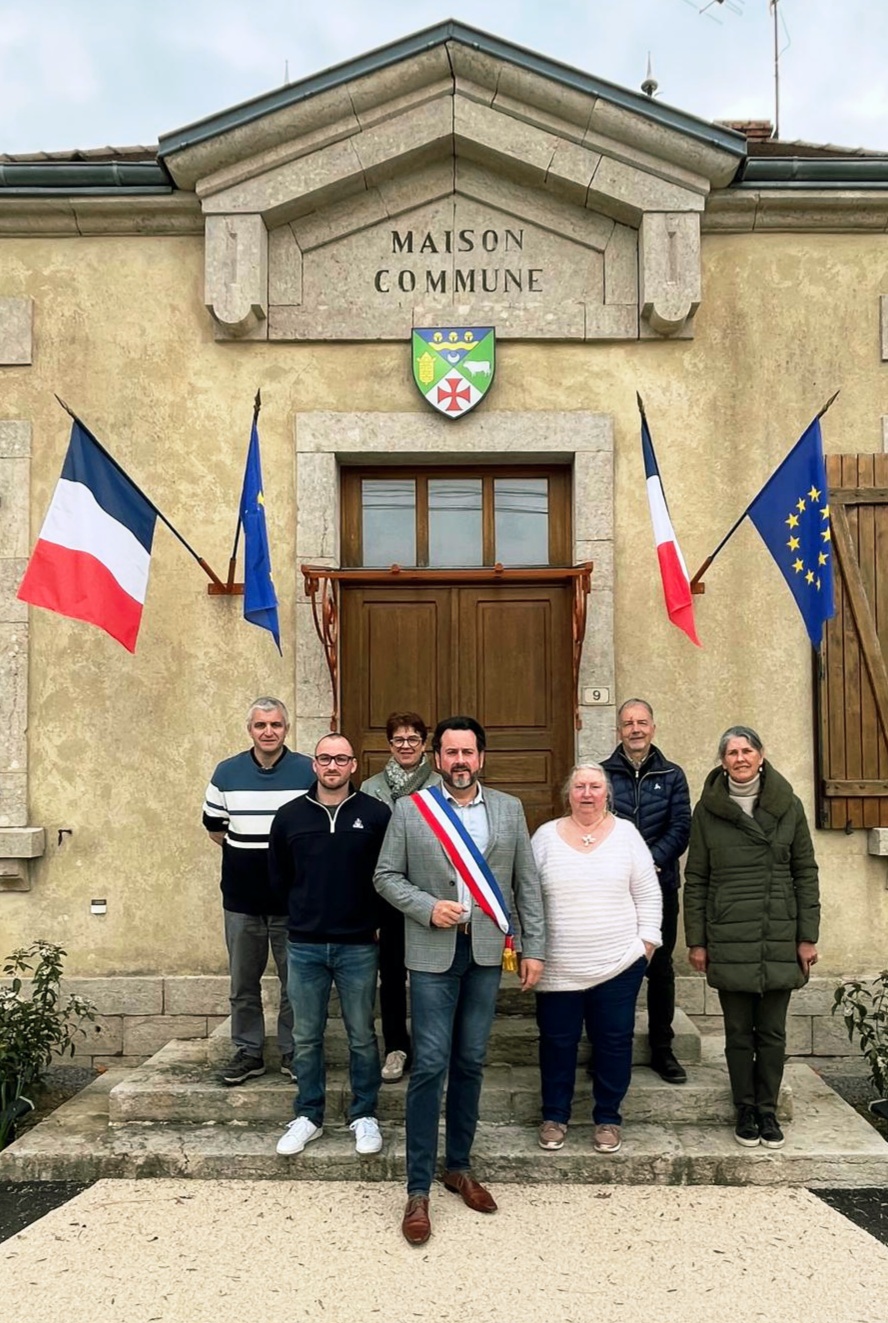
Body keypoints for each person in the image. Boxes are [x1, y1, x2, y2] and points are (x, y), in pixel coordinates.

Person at [374, 715, 545, 1246]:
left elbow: (526, 884)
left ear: (481, 758)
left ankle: (460, 1167)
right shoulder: (410, 810)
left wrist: (533, 948)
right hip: (432, 955)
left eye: (468, 753)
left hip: (489, 953)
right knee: (429, 1064)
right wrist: (428, 908)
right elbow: (384, 876)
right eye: (450, 753)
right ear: (438, 758)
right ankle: (418, 1188)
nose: (460, 762)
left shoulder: (510, 810)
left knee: (471, 1060)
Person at [683, 725, 821, 1150]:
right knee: (739, 1031)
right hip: (729, 933)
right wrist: (697, 941)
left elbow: (805, 873)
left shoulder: (788, 805)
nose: (740, 758)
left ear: (761, 755)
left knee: (773, 1032)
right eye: (732, 752)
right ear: (722, 761)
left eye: (747, 750)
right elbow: (697, 879)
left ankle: (768, 1109)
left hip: (779, 931)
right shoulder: (707, 811)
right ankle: (745, 1108)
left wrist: (807, 937)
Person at [268, 733, 391, 1158]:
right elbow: (279, 878)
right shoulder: (289, 817)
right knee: (306, 1036)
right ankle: (308, 1115)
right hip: (304, 945)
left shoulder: (376, 815)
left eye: (341, 759)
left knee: (361, 1034)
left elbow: (388, 875)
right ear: (314, 765)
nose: (332, 766)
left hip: (358, 945)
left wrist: (375, 923)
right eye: (325, 759)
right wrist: (303, 915)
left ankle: (364, 1115)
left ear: (354, 766)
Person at [533, 762, 662, 1156]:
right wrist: (530, 951)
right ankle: (555, 1115)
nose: (587, 794)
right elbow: (527, 898)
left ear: (607, 793)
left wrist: (646, 945)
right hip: (557, 966)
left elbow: (648, 894)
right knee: (557, 1043)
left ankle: (608, 1118)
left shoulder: (626, 835)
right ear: (568, 794)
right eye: (579, 787)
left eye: (594, 787)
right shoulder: (544, 838)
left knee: (614, 1041)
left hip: (618, 964)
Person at [203, 697, 314, 1086]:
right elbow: (215, 828)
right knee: (243, 982)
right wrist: (251, 856)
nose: (269, 732)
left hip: (292, 900)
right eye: (261, 725)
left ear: (286, 729)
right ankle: (248, 1052)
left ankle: (293, 1051)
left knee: (295, 982)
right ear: (249, 729)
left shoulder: (307, 772)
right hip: (241, 899)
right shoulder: (226, 772)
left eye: (276, 725)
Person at [602, 698, 691, 1084]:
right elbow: (597, 822)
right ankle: (607, 1047)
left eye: (642, 722)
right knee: (609, 968)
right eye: (627, 723)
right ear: (618, 730)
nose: (635, 729)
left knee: (660, 968)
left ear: (653, 727)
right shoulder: (602, 774)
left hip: (660, 884)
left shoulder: (672, 774)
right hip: (612, 889)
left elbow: (681, 826)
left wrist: (648, 861)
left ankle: (662, 1049)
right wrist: (626, 866)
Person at [361, 711, 441, 1084]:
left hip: (432, 897)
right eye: (398, 740)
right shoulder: (370, 788)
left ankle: (430, 1047)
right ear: (389, 745)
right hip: (388, 897)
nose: (405, 746)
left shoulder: (441, 785)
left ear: (424, 744)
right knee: (390, 975)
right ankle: (396, 1047)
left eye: (413, 739)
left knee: (430, 975)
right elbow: (361, 850)